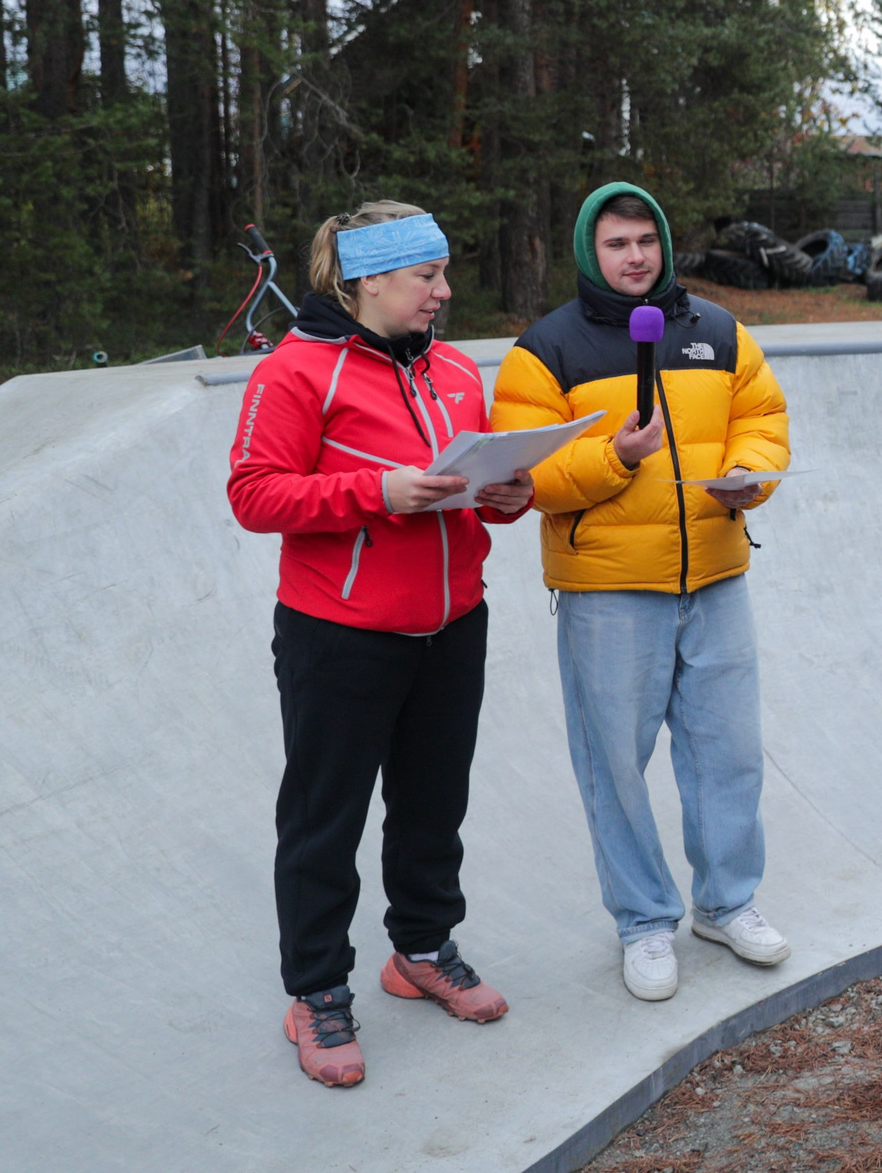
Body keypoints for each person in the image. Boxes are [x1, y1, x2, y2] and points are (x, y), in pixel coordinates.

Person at [227, 202, 534, 1089]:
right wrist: (377, 491)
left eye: (443, 272)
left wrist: (506, 498)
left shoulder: (453, 369)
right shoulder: (296, 370)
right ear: (365, 281)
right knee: (324, 819)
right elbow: (254, 493)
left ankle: (422, 949)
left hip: (453, 623)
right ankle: (317, 990)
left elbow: (472, 490)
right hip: (339, 634)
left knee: (434, 803)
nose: (444, 291)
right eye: (425, 276)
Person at [491, 183, 791, 1002]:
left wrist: (751, 474)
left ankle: (727, 903)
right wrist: (614, 458)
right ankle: (643, 920)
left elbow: (762, 417)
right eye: (617, 244)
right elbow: (527, 473)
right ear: (591, 251)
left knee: (729, 752)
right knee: (616, 764)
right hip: (609, 590)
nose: (635, 257)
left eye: (646, 241)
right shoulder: (544, 350)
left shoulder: (719, 331)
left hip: (715, 576)